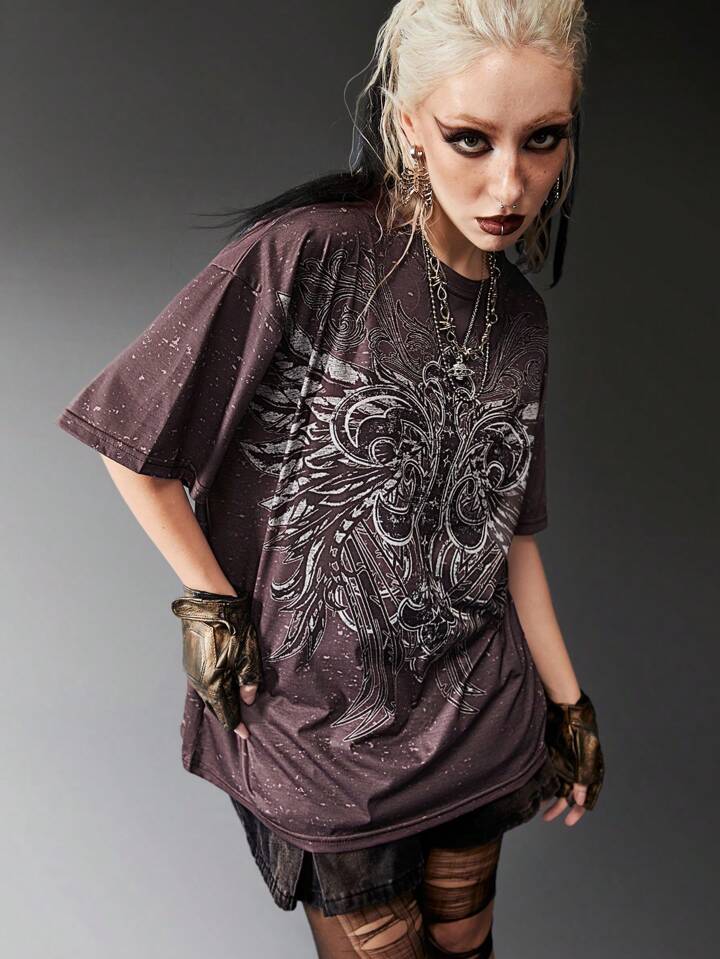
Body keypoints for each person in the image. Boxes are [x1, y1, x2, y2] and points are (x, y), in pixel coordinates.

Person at [55, 1, 606, 955]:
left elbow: (509, 533)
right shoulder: (312, 252)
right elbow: (130, 438)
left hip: (479, 715)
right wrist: (211, 604)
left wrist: (569, 703)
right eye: (470, 139)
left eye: (543, 139)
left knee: (467, 944)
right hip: (318, 733)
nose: (509, 183)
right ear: (409, 123)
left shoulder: (521, 318)